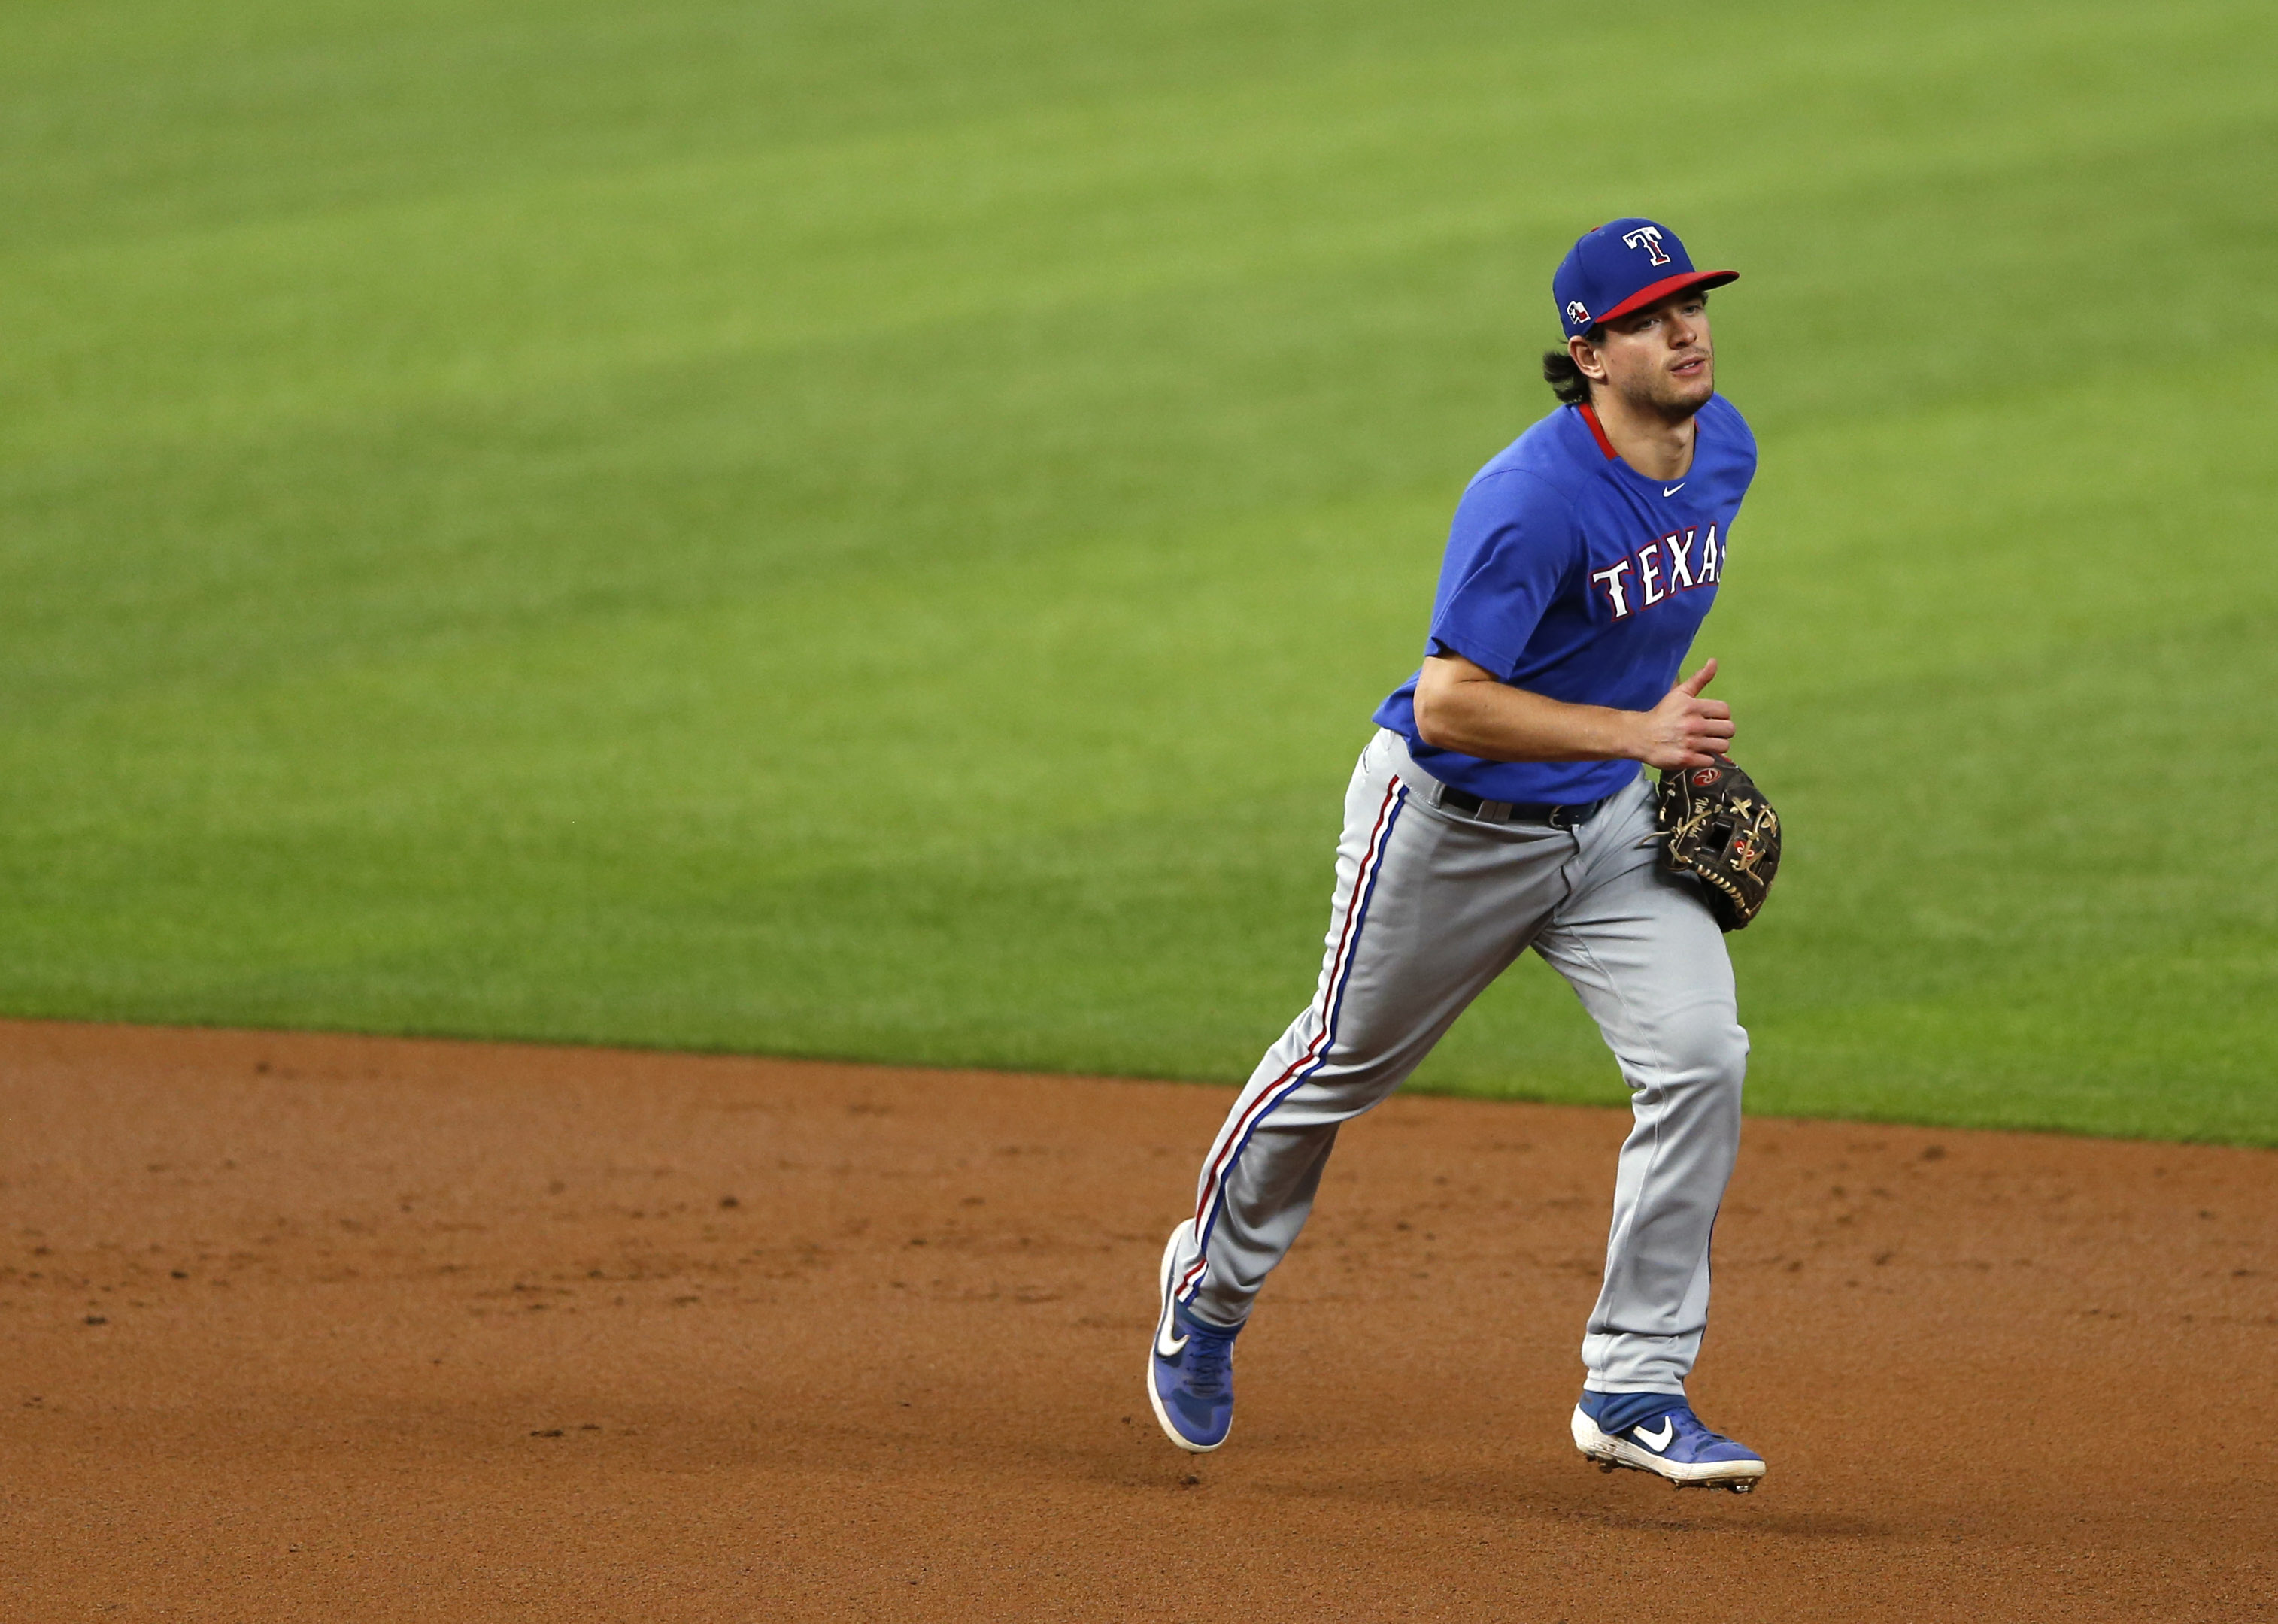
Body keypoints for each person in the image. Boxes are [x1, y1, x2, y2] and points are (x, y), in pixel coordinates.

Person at [1146, 218, 1767, 1492]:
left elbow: (1630, 631)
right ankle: (1205, 1299)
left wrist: (1660, 748)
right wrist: (1632, 731)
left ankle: (1634, 1383)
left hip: (1602, 830)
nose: (1686, 329)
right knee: (1334, 1071)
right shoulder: (1528, 499)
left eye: (1693, 303)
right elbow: (1445, 702)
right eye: (1651, 317)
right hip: (1450, 829)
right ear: (1590, 352)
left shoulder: (1728, 448)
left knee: (1700, 1055)